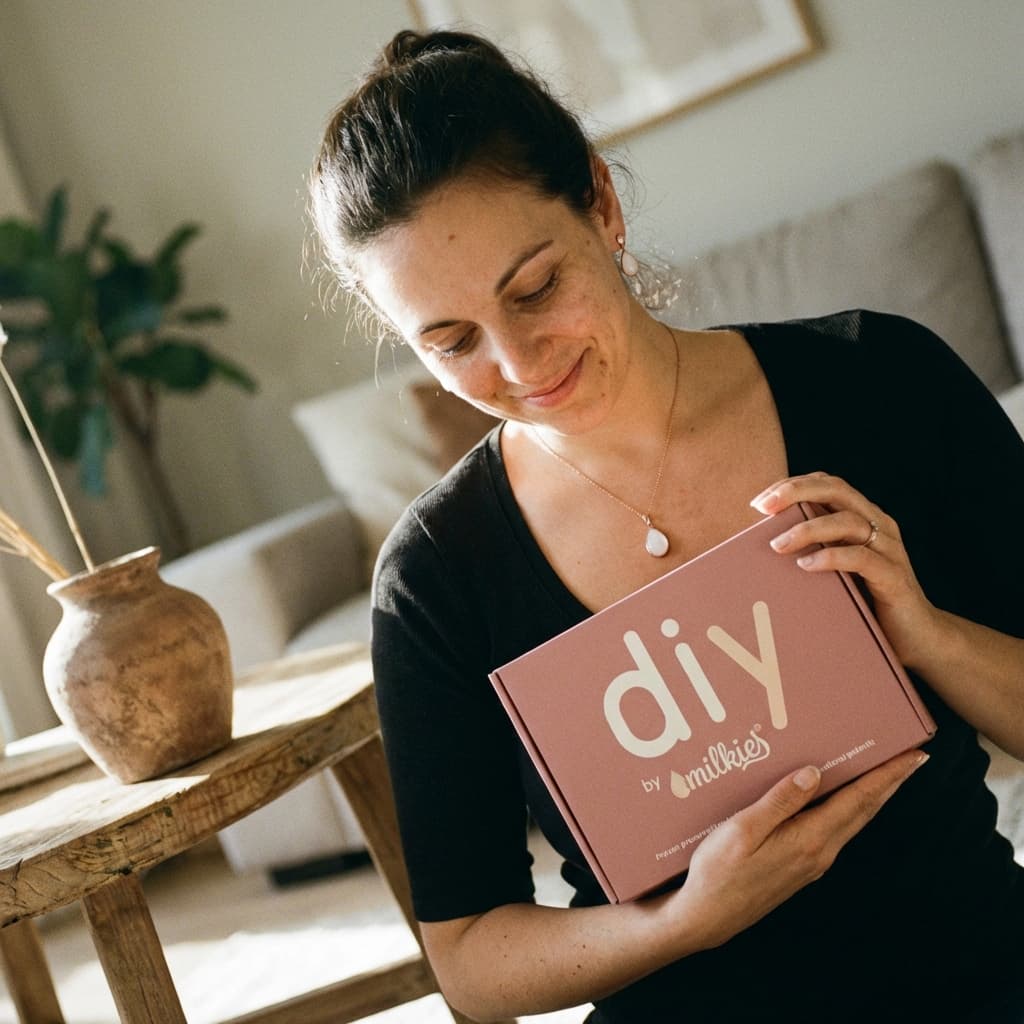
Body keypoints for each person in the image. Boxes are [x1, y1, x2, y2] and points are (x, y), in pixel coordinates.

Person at [308, 28, 1024, 1023]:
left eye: (535, 288)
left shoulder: (883, 382)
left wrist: (928, 634)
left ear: (601, 204)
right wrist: (684, 921)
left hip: (975, 971)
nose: (518, 365)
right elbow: (471, 959)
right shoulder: (436, 576)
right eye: (452, 340)